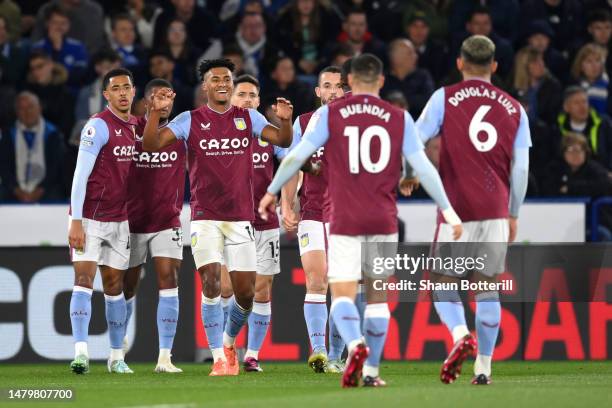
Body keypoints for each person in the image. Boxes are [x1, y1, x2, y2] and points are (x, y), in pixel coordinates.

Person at [259, 53, 462, 387]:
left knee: (342, 293)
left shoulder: (330, 116)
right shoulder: (398, 117)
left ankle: (353, 347)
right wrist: (449, 210)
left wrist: (272, 190)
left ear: (350, 81)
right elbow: (422, 166)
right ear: (381, 81)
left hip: (343, 215)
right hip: (382, 217)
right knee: (376, 295)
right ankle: (369, 370)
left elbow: (295, 156)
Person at [142, 59, 293, 376]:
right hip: (204, 218)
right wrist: (155, 113)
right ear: (205, 86)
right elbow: (151, 144)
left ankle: (228, 342)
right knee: (210, 283)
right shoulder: (190, 120)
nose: (222, 83)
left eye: (227, 78)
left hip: (241, 219)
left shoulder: (248, 118)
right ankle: (220, 359)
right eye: (216, 79)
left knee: (246, 294)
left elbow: (284, 141)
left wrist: (286, 121)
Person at [415, 35, 531, 385]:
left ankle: (460, 334)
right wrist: (512, 213)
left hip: (455, 210)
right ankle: (484, 368)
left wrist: (409, 175)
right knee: (487, 288)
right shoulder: (514, 107)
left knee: (443, 283)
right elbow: (521, 168)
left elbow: (415, 140)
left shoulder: (443, 98)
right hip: (495, 210)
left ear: (460, 63)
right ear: (494, 66)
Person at [67, 68, 138, 375]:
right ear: (106, 95)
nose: (122, 93)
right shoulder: (98, 126)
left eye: (127, 87)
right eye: (116, 89)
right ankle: (81, 352)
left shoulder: (137, 126)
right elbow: (80, 175)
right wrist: (76, 221)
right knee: (84, 279)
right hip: (91, 219)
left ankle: (116, 356)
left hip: (120, 219)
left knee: (114, 286)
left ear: (133, 92)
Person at [280, 66, 346, 374]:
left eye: (338, 86)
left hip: (347, 216)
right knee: (316, 280)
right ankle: (319, 352)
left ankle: (337, 353)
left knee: (344, 285)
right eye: (327, 86)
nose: (333, 91)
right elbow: (293, 164)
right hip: (312, 213)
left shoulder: (353, 124)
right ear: (318, 91)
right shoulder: (304, 123)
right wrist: (287, 203)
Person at [117, 79, 186, 373]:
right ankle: (118, 350)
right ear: (146, 102)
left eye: (169, 97)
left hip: (166, 220)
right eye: (159, 97)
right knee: (127, 287)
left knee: (169, 280)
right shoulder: (131, 130)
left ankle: (164, 357)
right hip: (132, 223)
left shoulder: (182, 132)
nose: (165, 102)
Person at [218, 74, 284, 372]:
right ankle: (226, 347)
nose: (246, 99)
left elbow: (293, 160)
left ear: (259, 102)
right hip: (231, 222)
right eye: (241, 94)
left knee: (263, 290)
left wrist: (288, 197)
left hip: (266, 223)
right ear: (231, 98)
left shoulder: (269, 135)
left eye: (251, 95)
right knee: (226, 288)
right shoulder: (220, 131)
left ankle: (252, 353)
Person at [0, 92, 65, 202]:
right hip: (14, 189)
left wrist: (40, 190)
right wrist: (16, 190)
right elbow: (4, 167)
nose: (27, 112)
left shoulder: (53, 134)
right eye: (22, 108)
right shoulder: (8, 135)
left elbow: (56, 167)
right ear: (16, 112)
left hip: (46, 187)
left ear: (39, 108)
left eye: (31, 107)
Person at [31, 5, 88, 87]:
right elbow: (38, 77)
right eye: (55, 23)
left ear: (69, 25)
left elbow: (80, 77)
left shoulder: (78, 47)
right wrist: (56, 48)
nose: (59, 27)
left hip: (71, 93)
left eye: (63, 23)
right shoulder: (37, 47)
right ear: (47, 24)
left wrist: (58, 47)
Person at [541, 132, 612, 198]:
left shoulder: (594, 168)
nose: (575, 155)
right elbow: (549, 189)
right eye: (571, 151)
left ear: (586, 152)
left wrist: (569, 188)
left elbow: (604, 185)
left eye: (579, 150)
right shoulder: (554, 168)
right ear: (563, 152)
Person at [557, 86, 612, 170]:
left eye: (584, 102)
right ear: (566, 107)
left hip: (602, 175)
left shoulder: (604, 124)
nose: (582, 107)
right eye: (576, 103)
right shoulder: (557, 128)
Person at [381, 38, 434, 117]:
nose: (416, 56)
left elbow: (430, 101)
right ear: (396, 58)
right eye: (410, 53)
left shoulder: (423, 76)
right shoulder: (382, 79)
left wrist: (402, 100)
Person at [512, 46, 562, 124]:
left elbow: (551, 117)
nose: (541, 64)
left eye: (541, 60)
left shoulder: (553, 86)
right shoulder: (514, 89)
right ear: (524, 66)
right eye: (535, 62)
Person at [570, 43, 610, 117]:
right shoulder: (575, 87)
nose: (594, 65)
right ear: (581, 66)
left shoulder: (608, 85)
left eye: (597, 60)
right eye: (589, 61)